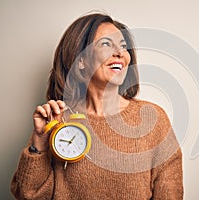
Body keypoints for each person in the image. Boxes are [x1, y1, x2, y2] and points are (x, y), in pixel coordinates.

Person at [11, 12, 183, 199]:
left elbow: (170, 194)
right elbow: (26, 195)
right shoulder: (57, 122)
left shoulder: (153, 118)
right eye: (106, 44)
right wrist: (39, 143)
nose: (120, 53)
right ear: (81, 60)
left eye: (123, 47)